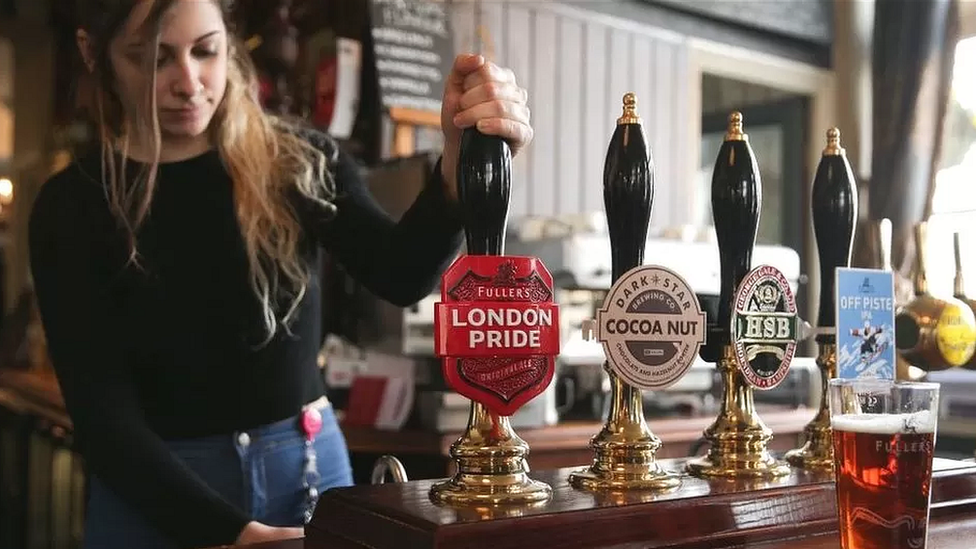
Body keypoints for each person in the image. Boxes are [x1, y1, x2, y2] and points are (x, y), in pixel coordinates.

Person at [27, 1, 533, 548]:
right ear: (91, 53)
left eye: (206, 50)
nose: (188, 82)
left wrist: (457, 166)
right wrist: (231, 532)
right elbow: (102, 415)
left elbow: (401, 272)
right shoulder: (73, 206)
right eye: (151, 59)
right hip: (154, 495)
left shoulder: (297, 158)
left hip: (307, 472)